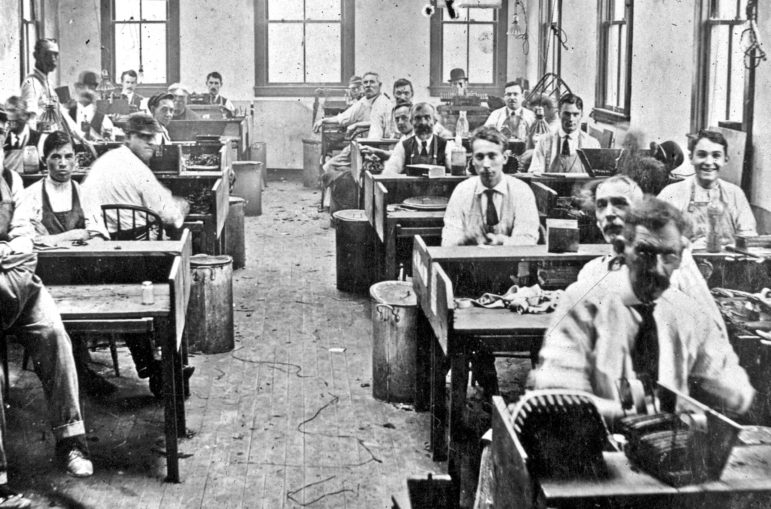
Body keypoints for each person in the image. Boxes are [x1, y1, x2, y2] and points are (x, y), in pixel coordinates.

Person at [533, 196, 755, 423]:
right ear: (622, 250)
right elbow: (559, 399)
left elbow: (736, 394)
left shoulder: (690, 314)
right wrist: (654, 412)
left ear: (680, 257)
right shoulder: (583, 303)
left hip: (669, 447)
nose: (658, 269)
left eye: (668, 255)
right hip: (598, 446)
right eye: (646, 253)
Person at [81, 113, 191, 397]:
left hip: (103, 255)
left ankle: (152, 362)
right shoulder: (138, 170)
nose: (151, 144)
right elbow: (167, 213)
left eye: (152, 139)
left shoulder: (102, 163)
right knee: (177, 273)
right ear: (127, 137)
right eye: (143, 138)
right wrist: (183, 207)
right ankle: (166, 360)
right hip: (138, 255)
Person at [0, 233, 94, 508]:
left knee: (55, 337)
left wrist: (11, 248)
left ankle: (71, 441)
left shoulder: (12, 187)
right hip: (9, 267)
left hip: (19, 282)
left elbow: (25, 236)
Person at [578, 175, 728, 337]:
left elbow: (715, 330)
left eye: (619, 204)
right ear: (597, 222)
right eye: (601, 206)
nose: (609, 214)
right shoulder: (592, 272)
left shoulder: (674, 262)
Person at [441, 126, 540, 246]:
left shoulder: (521, 191)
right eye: (479, 157)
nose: (486, 164)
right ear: (472, 160)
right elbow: (447, 240)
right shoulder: (462, 191)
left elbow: (528, 239)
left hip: (512, 262)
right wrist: (464, 239)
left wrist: (502, 241)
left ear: (504, 158)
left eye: (492, 156)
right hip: (469, 261)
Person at [657, 129, 756, 249]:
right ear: (691, 158)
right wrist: (688, 245)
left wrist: (725, 246)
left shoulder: (735, 194)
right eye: (702, 155)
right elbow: (657, 236)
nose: (709, 162)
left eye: (716, 155)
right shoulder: (671, 193)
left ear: (725, 160)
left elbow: (749, 237)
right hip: (685, 263)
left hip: (726, 262)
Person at [9, 131, 108, 245]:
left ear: (75, 159)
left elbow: (98, 238)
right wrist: (79, 234)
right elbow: (28, 239)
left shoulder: (85, 193)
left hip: (81, 260)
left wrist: (54, 239)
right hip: (44, 260)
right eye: (56, 157)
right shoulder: (30, 194)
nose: (63, 163)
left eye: (68, 156)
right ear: (44, 160)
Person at [318, 72, 391, 212]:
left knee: (353, 174)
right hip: (361, 144)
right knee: (329, 165)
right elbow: (346, 117)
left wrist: (358, 127)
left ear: (379, 85)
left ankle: (352, 207)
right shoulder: (364, 101)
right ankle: (334, 205)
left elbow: (379, 130)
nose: (368, 85)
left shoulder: (383, 103)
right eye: (366, 83)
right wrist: (324, 120)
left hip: (377, 146)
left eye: (372, 82)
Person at [528, 93, 600, 173]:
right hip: (550, 185)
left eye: (575, 114)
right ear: (559, 114)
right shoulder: (544, 141)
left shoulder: (592, 143)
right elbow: (535, 172)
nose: (571, 119)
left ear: (581, 115)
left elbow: (596, 177)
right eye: (567, 114)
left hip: (581, 185)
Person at [383, 102, 453, 174]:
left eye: (427, 117)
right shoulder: (403, 146)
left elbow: (457, 173)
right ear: (411, 122)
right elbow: (388, 174)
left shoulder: (446, 145)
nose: (423, 123)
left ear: (434, 121)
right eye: (417, 118)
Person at [19, 39, 59, 130]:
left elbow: (63, 116)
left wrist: (82, 139)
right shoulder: (32, 83)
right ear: (36, 56)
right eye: (48, 54)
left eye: (55, 55)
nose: (53, 59)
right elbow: (29, 121)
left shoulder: (49, 83)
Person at [68, 71, 115, 141]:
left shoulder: (103, 118)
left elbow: (110, 142)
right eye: (82, 86)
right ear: (77, 89)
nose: (87, 90)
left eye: (91, 87)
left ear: (97, 92)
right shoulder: (68, 114)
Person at [2, 97, 41, 175]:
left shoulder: (39, 139)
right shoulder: (2, 139)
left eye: (17, 119)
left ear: (27, 116)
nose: (12, 123)